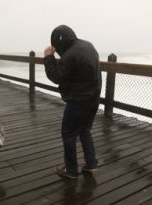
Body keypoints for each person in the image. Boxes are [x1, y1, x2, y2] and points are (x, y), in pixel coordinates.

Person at [43, 25, 101, 179]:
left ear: (59, 41)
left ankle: (71, 170)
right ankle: (91, 163)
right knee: (84, 130)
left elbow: (56, 76)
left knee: (68, 134)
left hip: (78, 102)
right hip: (94, 99)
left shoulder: (70, 55)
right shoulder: (88, 45)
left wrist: (48, 57)